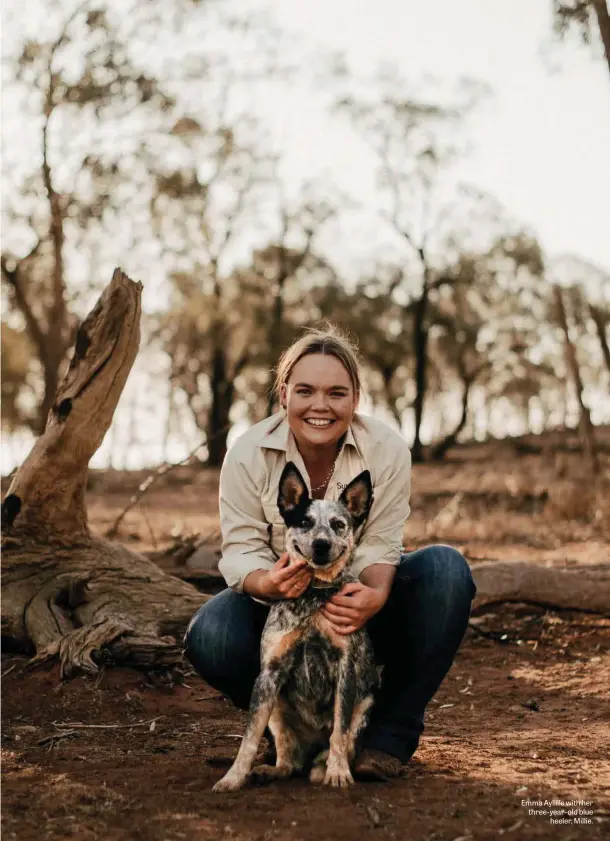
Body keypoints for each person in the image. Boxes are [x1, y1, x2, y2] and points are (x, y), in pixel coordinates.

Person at [184, 325, 476, 780]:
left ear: (355, 398)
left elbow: (382, 540)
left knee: (447, 571)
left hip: (356, 600)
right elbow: (240, 549)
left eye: (336, 393)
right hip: (281, 603)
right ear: (284, 395)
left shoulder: (387, 449)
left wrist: (376, 594)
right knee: (211, 634)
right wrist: (269, 583)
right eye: (305, 391)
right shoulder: (247, 454)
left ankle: (384, 739)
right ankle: (285, 734)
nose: (320, 406)